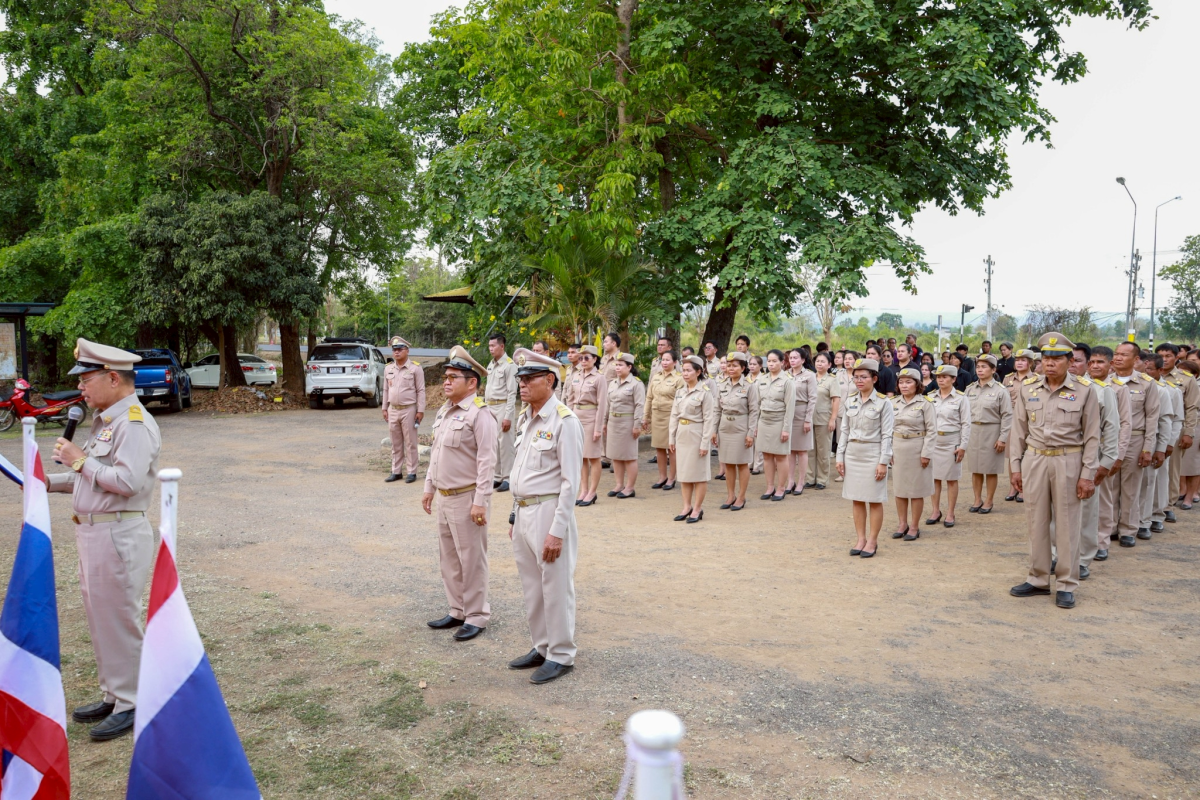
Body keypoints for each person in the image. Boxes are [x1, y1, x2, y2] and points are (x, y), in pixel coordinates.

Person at [48, 339, 162, 741]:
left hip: (118, 531)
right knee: (101, 619)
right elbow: (89, 477)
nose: (81, 388)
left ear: (113, 378)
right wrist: (45, 481)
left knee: (119, 618)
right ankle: (114, 693)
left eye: (86, 379)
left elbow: (127, 482)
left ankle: (133, 701)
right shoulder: (107, 423)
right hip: (94, 529)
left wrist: (79, 459)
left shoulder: (132, 422)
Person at [506, 348, 584, 684]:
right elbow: (521, 469)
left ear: (549, 380)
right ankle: (542, 646)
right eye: (520, 379)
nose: (522, 385)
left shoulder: (565, 421)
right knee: (532, 586)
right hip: (524, 511)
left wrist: (558, 531)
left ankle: (562, 654)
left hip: (549, 511)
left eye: (529, 379)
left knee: (555, 585)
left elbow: (570, 484)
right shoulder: (526, 417)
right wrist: (513, 516)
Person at [1009, 332, 1100, 610]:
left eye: (1056, 359)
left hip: (1068, 460)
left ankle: (1066, 583)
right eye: (1045, 358)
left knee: (1067, 524)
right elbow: (1018, 431)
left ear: (1069, 361)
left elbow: (1093, 436)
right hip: (1035, 459)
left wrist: (1088, 474)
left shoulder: (1085, 390)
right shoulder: (1029, 389)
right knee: (1036, 521)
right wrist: (1015, 467)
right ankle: (1037, 578)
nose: (1049, 363)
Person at [421, 346, 497, 642]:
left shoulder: (480, 415)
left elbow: (487, 462)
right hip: (444, 496)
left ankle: (477, 615)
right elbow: (436, 454)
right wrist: (429, 487)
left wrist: (481, 502)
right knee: (449, 558)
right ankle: (457, 610)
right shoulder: (444, 411)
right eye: (446, 377)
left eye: (454, 377)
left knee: (472, 558)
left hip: (467, 499)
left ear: (472, 382)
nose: (447, 382)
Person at [1103, 341, 1161, 549]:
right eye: (1116, 354)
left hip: (1136, 439)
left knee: (1131, 488)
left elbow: (1152, 418)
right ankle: (1109, 527)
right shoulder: (1106, 382)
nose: (1118, 358)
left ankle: (1128, 529)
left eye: (1124, 355)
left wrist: (1148, 448)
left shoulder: (1146, 384)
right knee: (1109, 487)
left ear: (1137, 360)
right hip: (1110, 439)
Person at [836, 357, 894, 558]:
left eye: (864, 377)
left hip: (872, 455)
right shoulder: (850, 400)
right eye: (856, 377)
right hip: (853, 453)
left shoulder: (884, 403)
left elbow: (887, 434)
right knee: (857, 499)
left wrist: (883, 462)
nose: (859, 381)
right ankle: (860, 538)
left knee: (874, 499)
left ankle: (872, 540)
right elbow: (844, 430)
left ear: (874, 378)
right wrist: (840, 457)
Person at [669, 355, 717, 523]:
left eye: (689, 370)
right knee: (684, 473)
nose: (685, 373)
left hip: (697, 434)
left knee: (698, 474)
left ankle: (697, 508)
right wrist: (671, 438)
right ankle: (686, 506)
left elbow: (709, 419)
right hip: (682, 434)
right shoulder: (680, 392)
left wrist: (705, 443)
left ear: (698, 372)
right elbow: (674, 415)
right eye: (684, 370)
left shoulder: (705, 393)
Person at [890, 367, 935, 540]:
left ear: (917, 384)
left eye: (908, 382)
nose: (904, 385)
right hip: (898, 446)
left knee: (916, 490)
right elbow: (887, 429)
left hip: (917, 448)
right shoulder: (893, 403)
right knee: (900, 489)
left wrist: (926, 453)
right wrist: (888, 451)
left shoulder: (925, 403)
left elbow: (932, 430)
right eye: (901, 382)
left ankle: (914, 526)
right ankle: (902, 523)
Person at [965, 354, 1012, 513]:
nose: (980, 370)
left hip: (992, 431)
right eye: (978, 367)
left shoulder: (1000, 390)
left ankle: (989, 501)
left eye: (984, 367)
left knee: (991, 469)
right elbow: (964, 414)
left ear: (993, 369)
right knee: (975, 468)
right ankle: (977, 499)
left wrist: (1003, 438)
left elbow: (1007, 415)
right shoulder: (970, 389)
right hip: (973, 431)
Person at [1156, 342, 1199, 518]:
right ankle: (1151, 506)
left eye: (1168, 356)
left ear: (1176, 357)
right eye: (1161, 356)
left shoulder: (1186, 379)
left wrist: (1189, 433)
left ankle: (1168, 505)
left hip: (1175, 428)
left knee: (1172, 469)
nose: (1164, 360)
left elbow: (1192, 408)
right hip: (1153, 428)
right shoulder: (1149, 375)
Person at [1139, 351, 1178, 539]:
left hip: (1155, 440)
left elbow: (1171, 420)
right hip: (1135, 440)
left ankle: (1154, 516)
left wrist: (1166, 445)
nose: (1145, 372)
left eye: (1150, 369)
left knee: (1154, 481)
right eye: (1143, 368)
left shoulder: (1168, 390)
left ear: (1159, 370)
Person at [927, 364, 971, 528]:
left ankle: (950, 513)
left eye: (945, 377)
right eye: (938, 377)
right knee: (934, 478)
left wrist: (963, 446)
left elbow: (966, 424)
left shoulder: (961, 398)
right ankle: (935, 510)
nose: (941, 380)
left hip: (952, 442)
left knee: (952, 479)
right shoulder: (930, 397)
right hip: (934, 442)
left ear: (954, 379)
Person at [715, 352, 760, 510]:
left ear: (743, 368)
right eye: (729, 365)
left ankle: (741, 496)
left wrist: (750, 433)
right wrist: (714, 431)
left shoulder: (749, 387)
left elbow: (754, 411)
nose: (731, 368)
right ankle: (730, 495)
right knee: (728, 464)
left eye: (735, 365)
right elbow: (716, 410)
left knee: (742, 464)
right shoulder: (721, 385)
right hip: (725, 427)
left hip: (741, 426)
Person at [383, 336, 426, 483]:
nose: (397, 352)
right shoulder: (388, 368)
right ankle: (396, 471)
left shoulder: (415, 368)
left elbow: (421, 390)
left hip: (409, 409)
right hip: (393, 409)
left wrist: (420, 410)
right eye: (394, 350)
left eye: (400, 349)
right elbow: (385, 390)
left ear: (407, 350)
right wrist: (384, 408)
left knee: (410, 442)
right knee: (395, 442)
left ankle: (412, 472)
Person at [568, 345, 607, 506]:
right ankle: (583, 489)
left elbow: (602, 404)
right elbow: (570, 399)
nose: (583, 361)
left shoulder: (599, 378)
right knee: (581, 457)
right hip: (576, 416)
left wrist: (598, 427)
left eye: (587, 358)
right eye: (581, 358)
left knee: (593, 457)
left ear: (595, 359)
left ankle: (592, 491)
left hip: (591, 418)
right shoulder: (575, 375)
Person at [604, 353, 645, 499]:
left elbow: (640, 405)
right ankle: (619, 484)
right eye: (616, 364)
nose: (617, 367)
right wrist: (604, 422)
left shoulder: (636, 384)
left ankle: (630, 487)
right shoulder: (613, 383)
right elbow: (607, 404)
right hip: (613, 423)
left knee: (629, 456)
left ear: (629, 367)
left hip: (628, 423)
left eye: (621, 365)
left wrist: (637, 425)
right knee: (616, 456)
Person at [755, 350, 795, 500]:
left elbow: (790, 407)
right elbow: (758, 404)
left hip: (779, 421)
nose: (771, 364)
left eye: (774, 361)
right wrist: (757, 425)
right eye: (769, 361)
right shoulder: (762, 379)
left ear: (782, 362)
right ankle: (770, 486)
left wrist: (786, 429)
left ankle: (781, 487)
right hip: (764, 421)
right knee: (766, 455)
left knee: (781, 456)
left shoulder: (787, 381)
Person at [1002, 349, 1039, 502]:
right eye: (1017, 360)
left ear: (1030, 363)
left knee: (1028, 453)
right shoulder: (1008, 379)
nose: (1019, 363)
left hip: (1031, 419)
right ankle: (1013, 486)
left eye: (1023, 360)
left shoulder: (1038, 379)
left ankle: (1025, 487)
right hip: (1012, 419)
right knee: (1013, 454)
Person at [645, 350, 684, 489]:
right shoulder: (656, 376)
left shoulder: (679, 379)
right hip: (657, 415)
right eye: (663, 359)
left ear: (675, 362)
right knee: (659, 448)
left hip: (671, 416)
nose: (665, 362)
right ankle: (662, 476)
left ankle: (672, 478)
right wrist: (646, 417)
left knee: (671, 448)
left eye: (668, 360)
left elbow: (681, 401)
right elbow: (649, 398)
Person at [485, 334, 518, 493]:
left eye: (493, 346)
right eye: (489, 346)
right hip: (490, 406)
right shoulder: (491, 365)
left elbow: (512, 393)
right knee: (494, 443)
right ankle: (497, 476)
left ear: (502, 346)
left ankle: (508, 477)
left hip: (503, 406)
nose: (491, 349)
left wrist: (508, 416)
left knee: (505, 444)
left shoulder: (509, 365)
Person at [808, 351, 840, 489]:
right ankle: (810, 478)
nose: (819, 364)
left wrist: (833, 418)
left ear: (829, 364)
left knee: (823, 451)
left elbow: (836, 400)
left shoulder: (832, 380)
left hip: (824, 419)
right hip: (809, 419)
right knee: (810, 450)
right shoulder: (810, 378)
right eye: (817, 361)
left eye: (822, 361)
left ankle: (822, 479)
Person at [786, 348, 817, 494]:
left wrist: (808, 420)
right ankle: (790, 480)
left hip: (802, 412)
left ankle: (801, 482)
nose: (792, 360)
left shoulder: (810, 376)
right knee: (790, 451)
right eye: (791, 358)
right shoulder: (785, 375)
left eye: (795, 358)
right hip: (788, 415)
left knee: (802, 450)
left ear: (803, 360)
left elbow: (812, 399)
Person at [1177, 359, 1200, 509]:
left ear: (1195, 374)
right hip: (1178, 424)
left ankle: (1190, 496)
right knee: (1179, 465)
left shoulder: (1195, 385)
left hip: (1195, 426)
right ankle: (1181, 490)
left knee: (1193, 464)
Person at [748, 355, 766, 475]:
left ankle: (758, 465)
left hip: (760, 410)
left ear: (760, 366)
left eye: (755, 364)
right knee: (749, 437)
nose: (752, 366)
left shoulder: (764, 378)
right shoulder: (745, 378)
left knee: (758, 438)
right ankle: (749, 463)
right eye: (750, 364)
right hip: (748, 411)